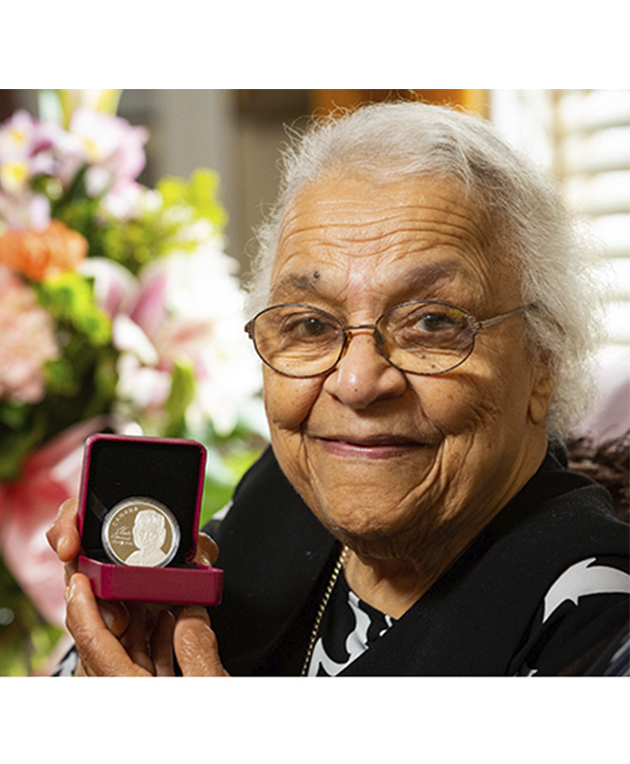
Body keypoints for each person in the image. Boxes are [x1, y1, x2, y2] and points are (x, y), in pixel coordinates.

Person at [48, 101, 629, 677]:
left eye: (432, 322)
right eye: (309, 324)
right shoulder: (279, 496)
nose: (355, 384)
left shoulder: (599, 622)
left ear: (543, 360)